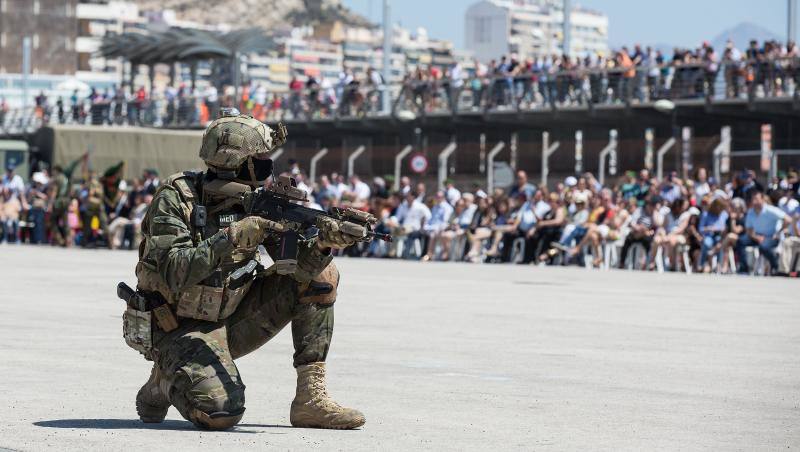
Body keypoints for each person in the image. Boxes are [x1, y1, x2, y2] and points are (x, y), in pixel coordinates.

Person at [130, 112, 365, 431]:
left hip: (233, 318)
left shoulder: (259, 202)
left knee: (323, 278)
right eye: (261, 158)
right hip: (176, 327)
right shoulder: (177, 197)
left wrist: (324, 243)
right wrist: (232, 237)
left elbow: (299, 272)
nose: (269, 166)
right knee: (221, 413)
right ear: (236, 162)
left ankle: (310, 399)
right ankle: (161, 381)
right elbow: (172, 270)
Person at [735, 190, 786, 274]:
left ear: (762, 199)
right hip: (756, 236)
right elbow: (748, 230)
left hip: (771, 237)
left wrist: (779, 232)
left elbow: (787, 219)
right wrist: (756, 237)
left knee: (763, 247)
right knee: (740, 241)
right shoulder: (750, 212)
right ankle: (744, 268)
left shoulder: (771, 210)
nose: (754, 202)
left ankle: (776, 267)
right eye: (753, 199)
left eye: (756, 199)